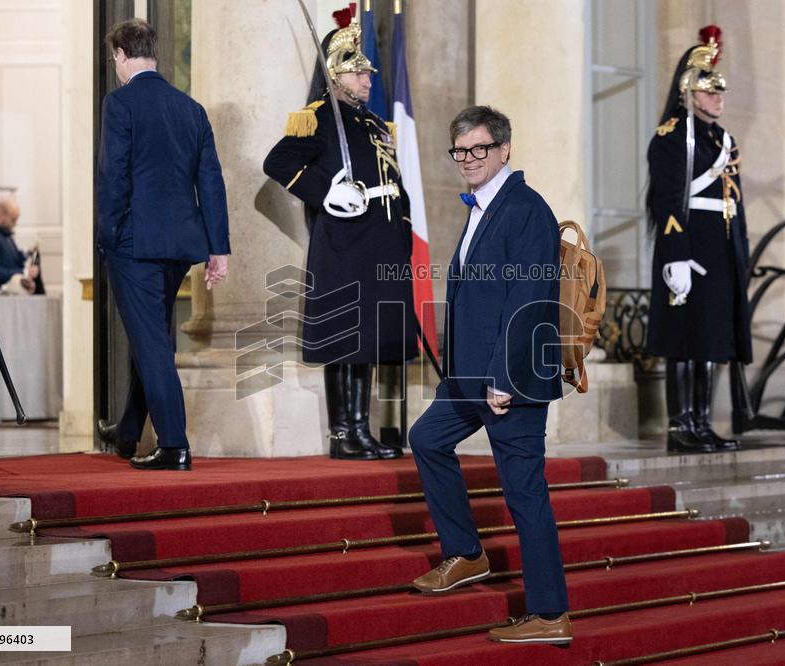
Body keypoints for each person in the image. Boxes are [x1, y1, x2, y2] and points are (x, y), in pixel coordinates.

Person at [409, 106, 571, 645]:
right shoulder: (485, 205)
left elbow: (530, 299)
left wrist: (502, 376)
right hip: (470, 376)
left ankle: (549, 613)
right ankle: (467, 553)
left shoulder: (525, 209)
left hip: (512, 380)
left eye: (479, 149)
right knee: (426, 438)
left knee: (524, 494)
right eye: (460, 151)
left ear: (504, 150)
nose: (468, 160)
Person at [263, 11, 416, 461]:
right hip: (346, 244)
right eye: (358, 71)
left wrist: (403, 232)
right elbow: (278, 163)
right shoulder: (319, 118)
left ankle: (361, 429)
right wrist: (324, 191)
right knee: (346, 338)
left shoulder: (373, 125)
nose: (368, 78)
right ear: (335, 73)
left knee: (368, 340)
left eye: (368, 72)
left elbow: (395, 182)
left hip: (380, 243)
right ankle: (342, 433)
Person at [95, 18, 229, 471]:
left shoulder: (120, 103)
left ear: (120, 54)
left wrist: (106, 236)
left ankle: (174, 444)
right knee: (149, 337)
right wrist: (218, 248)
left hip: (134, 244)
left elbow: (113, 178)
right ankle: (128, 433)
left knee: (151, 344)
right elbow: (211, 182)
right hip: (179, 246)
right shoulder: (190, 108)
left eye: (114, 57)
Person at [645, 25, 751, 454]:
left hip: (720, 249)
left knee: (711, 340)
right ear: (689, 91)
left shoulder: (722, 140)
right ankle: (680, 425)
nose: (718, 98)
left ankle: (703, 422)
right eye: (709, 91)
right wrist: (676, 256)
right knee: (684, 340)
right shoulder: (671, 138)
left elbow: (735, 202)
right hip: (688, 248)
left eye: (720, 91)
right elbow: (668, 201)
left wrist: (739, 254)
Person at [0, 197, 39, 294]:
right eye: (13, 219)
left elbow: (13, 260)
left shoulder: (6, 236)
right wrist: (24, 272)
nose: (15, 224)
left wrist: (27, 254)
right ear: (1, 215)